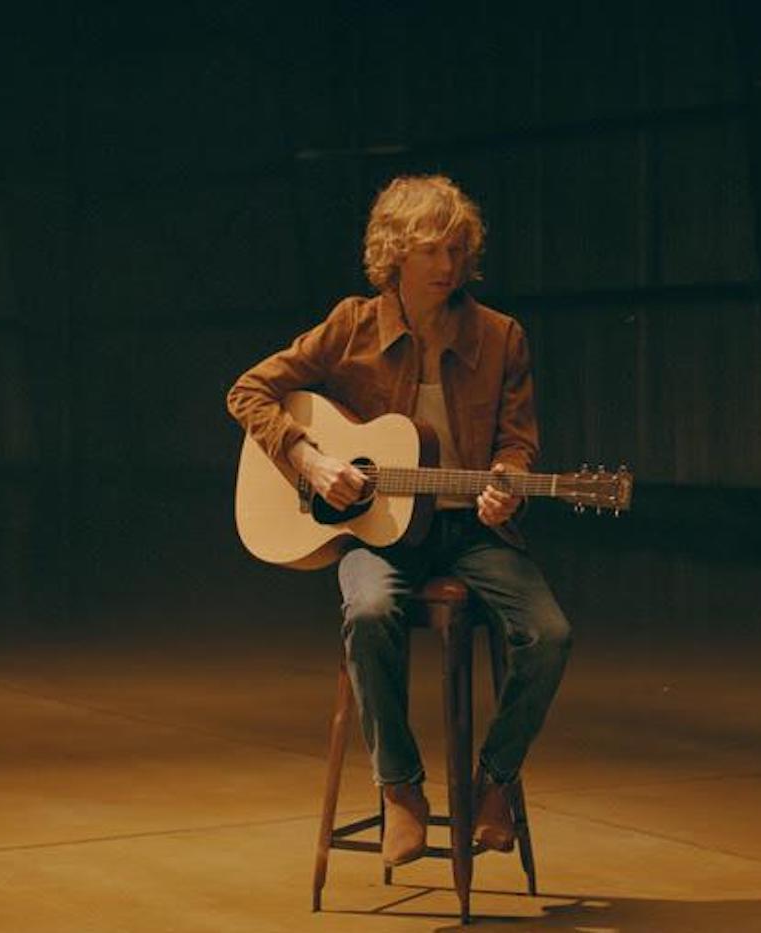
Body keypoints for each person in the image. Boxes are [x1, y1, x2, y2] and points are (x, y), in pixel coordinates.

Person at [226, 174, 572, 867]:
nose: (448, 265)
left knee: (550, 633)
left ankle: (495, 782)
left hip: (472, 531)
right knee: (370, 609)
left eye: (457, 249)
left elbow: (517, 444)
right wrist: (309, 459)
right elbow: (249, 391)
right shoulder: (352, 325)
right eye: (431, 250)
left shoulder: (501, 337)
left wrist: (507, 484)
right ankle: (400, 788)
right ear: (395, 253)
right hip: (378, 533)